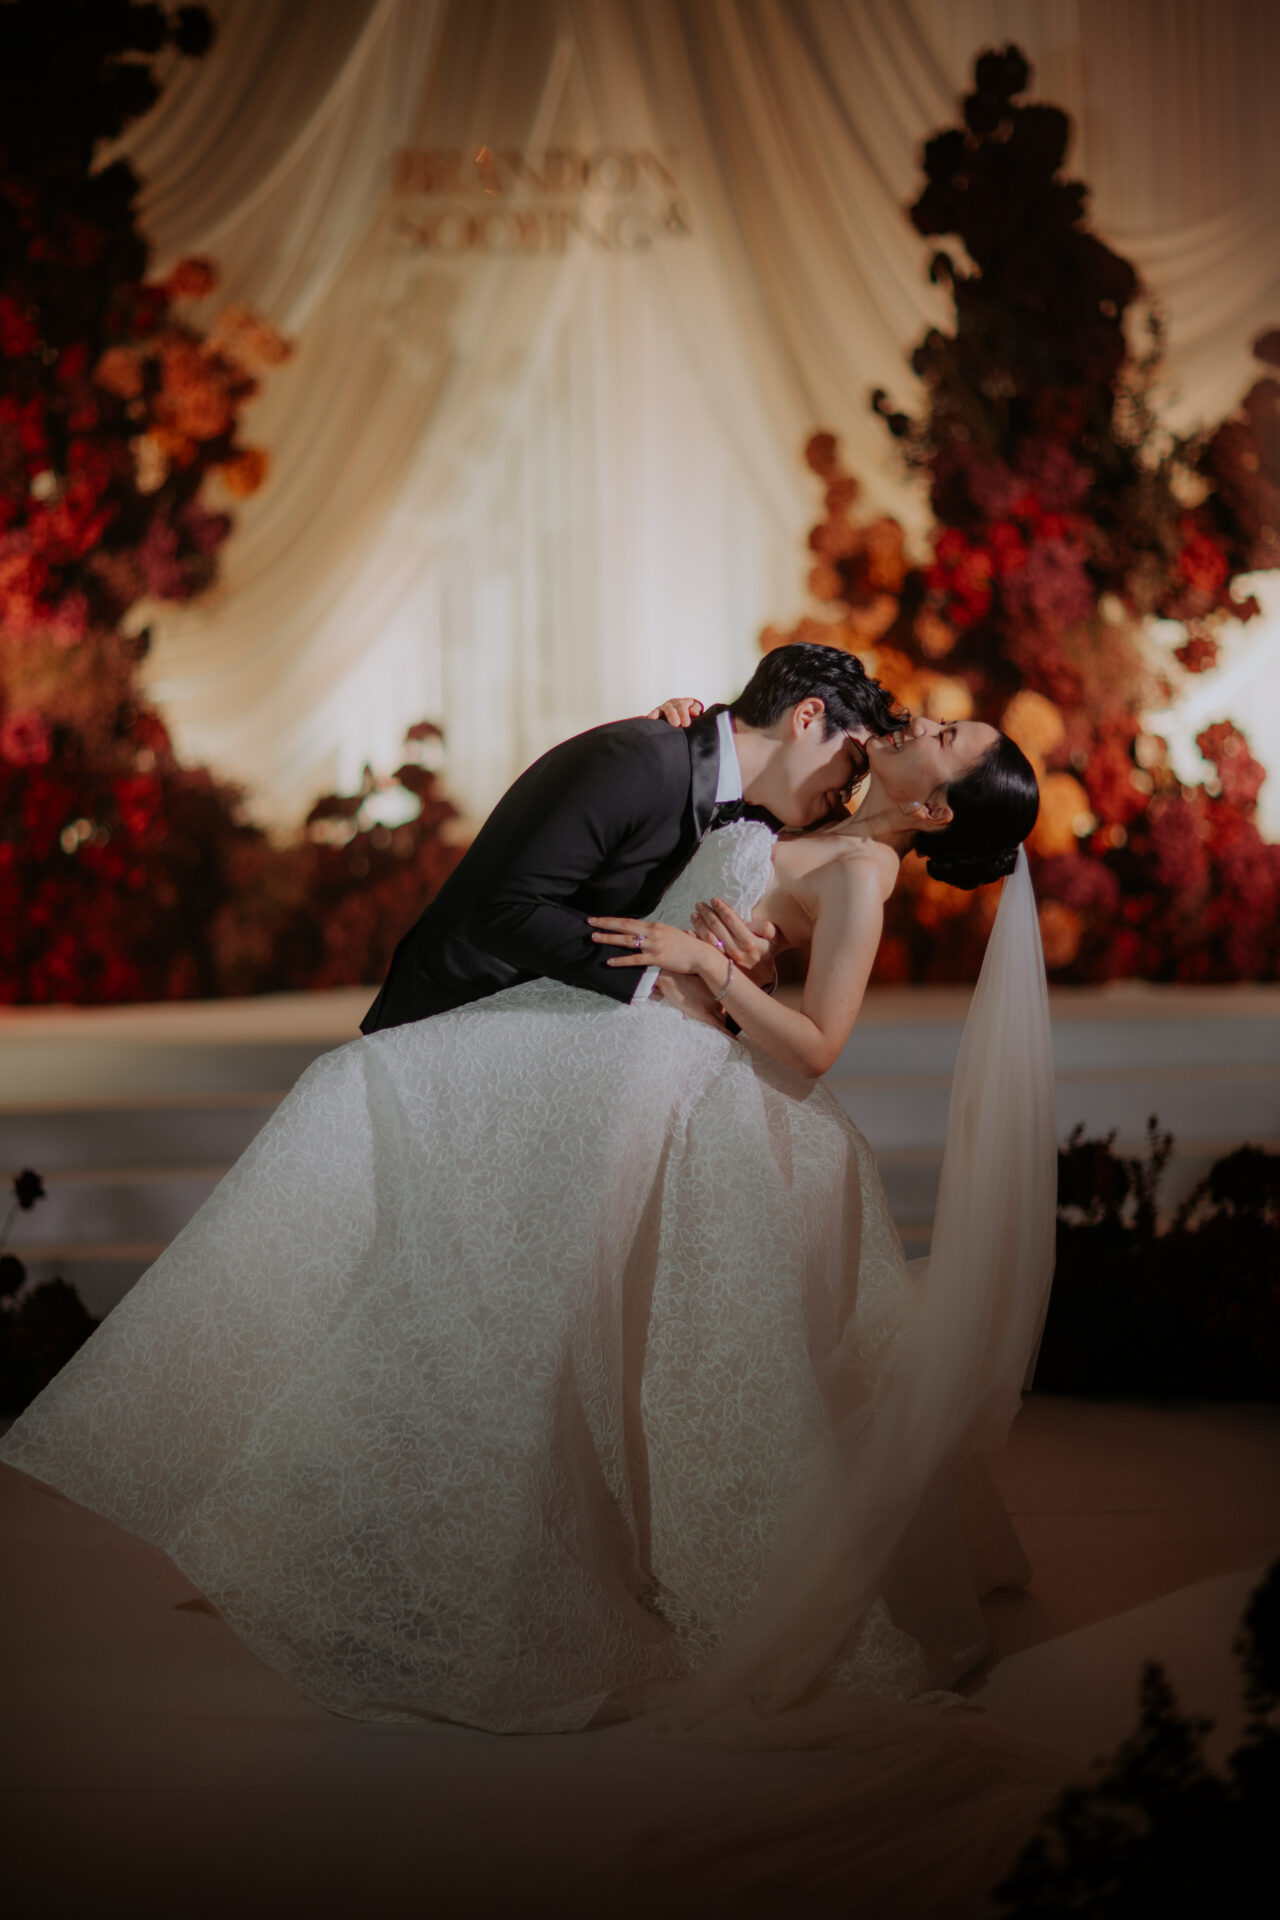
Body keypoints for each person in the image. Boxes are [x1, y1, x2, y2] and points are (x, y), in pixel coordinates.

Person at [0, 664, 1053, 1743]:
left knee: (570, 1324)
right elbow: (726, 849)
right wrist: (691, 747)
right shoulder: (812, 806)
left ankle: (484, 1562)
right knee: (472, 1235)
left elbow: (819, 1046)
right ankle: (371, 1520)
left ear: (932, 807)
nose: (916, 720)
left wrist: (713, 967)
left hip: (662, 1076)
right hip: (624, 1053)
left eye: (942, 734)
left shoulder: (864, 873)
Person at [359, 642, 903, 1031]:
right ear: (807, 717)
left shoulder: (753, 817)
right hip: (459, 1014)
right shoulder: (641, 757)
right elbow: (505, 909)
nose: (846, 793)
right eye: (853, 761)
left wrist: (744, 979)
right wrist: (661, 979)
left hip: (576, 1030)